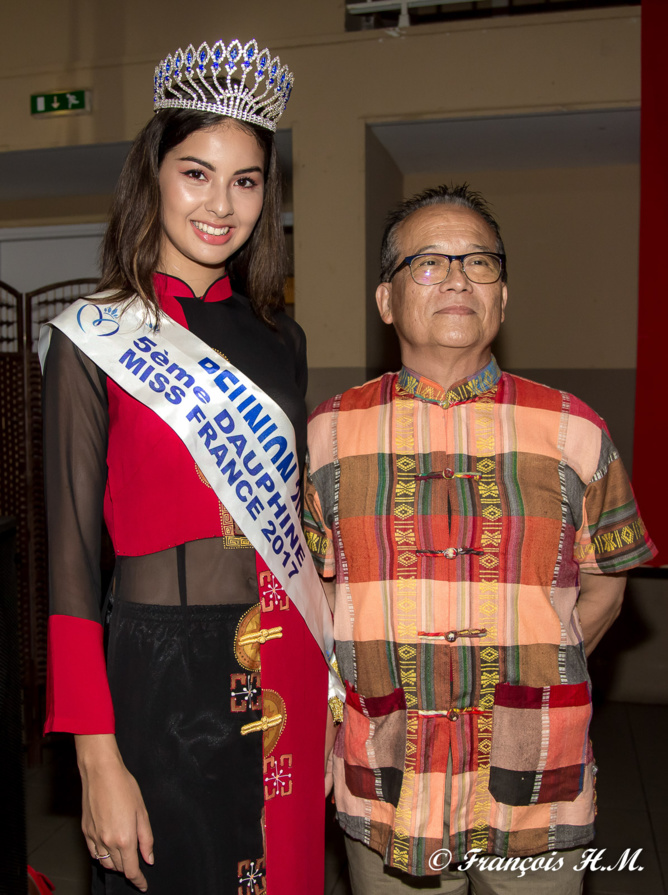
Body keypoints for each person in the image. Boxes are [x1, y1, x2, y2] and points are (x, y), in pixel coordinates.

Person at [41, 38, 335, 895]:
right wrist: (96, 758)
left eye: (246, 181)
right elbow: (67, 567)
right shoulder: (93, 338)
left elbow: (299, 532)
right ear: (153, 176)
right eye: (196, 171)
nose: (221, 204)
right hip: (153, 670)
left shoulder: (283, 341)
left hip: (276, 652)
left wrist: (329, 699)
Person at [304, 184, 657, 894]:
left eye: (480, 263)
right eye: (428, 262)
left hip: (534, 781)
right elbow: (312, 606)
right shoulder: (326, 436)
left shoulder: (574, 430)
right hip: (386, 776)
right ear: (386, 299)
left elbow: (607, 589)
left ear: (503, 297)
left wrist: (525, 675)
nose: (459, 277)